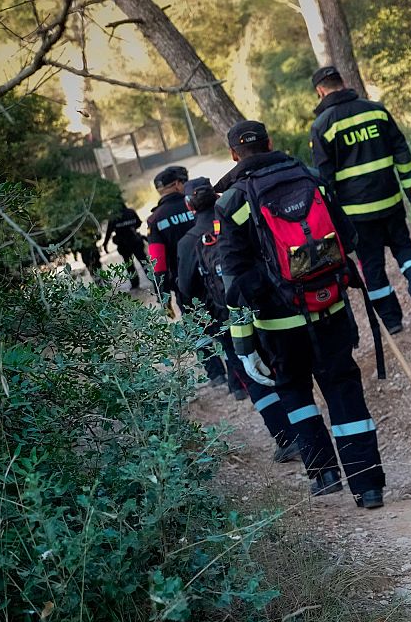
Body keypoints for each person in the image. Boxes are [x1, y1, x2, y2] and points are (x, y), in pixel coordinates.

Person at [217, 119, 387, 508]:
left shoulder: (232, 203)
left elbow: (236, 283)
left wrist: (244, 347)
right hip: (329, 309)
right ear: (270, 142)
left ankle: (324, 475)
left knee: (295, 392)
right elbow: (349, 238)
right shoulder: (311, 179)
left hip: (277, 328)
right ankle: (368, 485)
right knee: (344, 391)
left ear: (233, 155)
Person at [177, 176, 303, 466]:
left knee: (253, 379)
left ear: (189, 206)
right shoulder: (235, 216)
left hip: (225, 319)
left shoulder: (189, 242)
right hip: (262, 305)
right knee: (277, 367)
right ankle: (306, 429)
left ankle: (287, 438)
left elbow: (185, 287)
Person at [307, 66, 411, 334]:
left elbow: (325, 179)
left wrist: (330, 218)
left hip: (357, 214)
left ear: (320, 91)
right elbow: (400, 148)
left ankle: (392, 320)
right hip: (390, 199)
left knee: (372, 265)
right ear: (342, 82)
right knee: (403, 246)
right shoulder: (375, 110)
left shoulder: (322, 127)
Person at [146, 165, 196, 309]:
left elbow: (158, 263)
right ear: (176, 184)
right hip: (211, 275)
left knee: (195, 326)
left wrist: (164, 297)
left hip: (183, 283)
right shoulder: (195, 204)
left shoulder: (154, 220)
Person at [102, 201, 147, 290]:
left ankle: (135, 284)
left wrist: (105, 245)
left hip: (123, 244)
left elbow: (108, 233)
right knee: (144, 261)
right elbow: (139, 222)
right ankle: (154, 279)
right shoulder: (131, 212)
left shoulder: (113, 217)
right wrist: (131, 227)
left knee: (129, 265)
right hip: (135, 241)